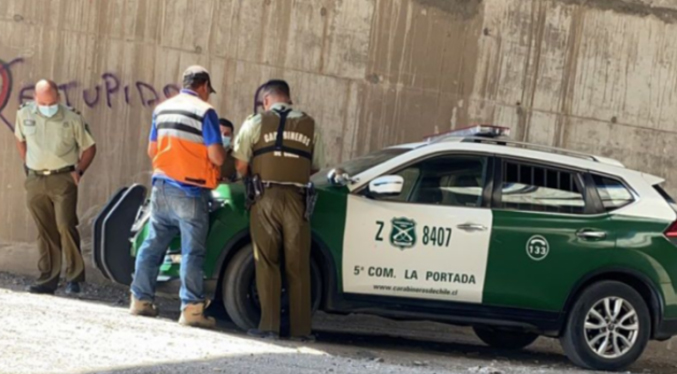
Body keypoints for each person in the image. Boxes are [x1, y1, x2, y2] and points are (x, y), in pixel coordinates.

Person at [129, 65, 225, 328]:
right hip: (191, 190)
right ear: (203, 85)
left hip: (161, 186)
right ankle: (192, 310)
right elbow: (216, 155)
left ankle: (140, 300)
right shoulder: (205, 112)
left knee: (153, 244)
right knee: (192, 251)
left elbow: (152, 150)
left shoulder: (162, 109)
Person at [233, 79, 325, 341]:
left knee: (266, 261)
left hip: (265, 197)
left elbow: (240, 164)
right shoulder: (310, 124)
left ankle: (269, 326)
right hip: (297, 198)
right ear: (289, 99)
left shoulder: (255, 122)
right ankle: (301, 331)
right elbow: (316, 165)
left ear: (266, 101)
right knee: (298, 265)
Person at [14, 80, 97, 295]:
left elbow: (89, 147)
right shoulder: (24, 114)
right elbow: (20, 140)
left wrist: (79, 171)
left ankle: (74, 278)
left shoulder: (72, 118)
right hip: (35, 179)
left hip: (63, 179)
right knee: (45, 230)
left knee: (65, 225)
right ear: (35, 98)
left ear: (58, 98)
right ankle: (47, 279)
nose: (47, 107)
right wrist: (28, 164)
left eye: (51, 103)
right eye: (43, 103)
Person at [219, 118, 237, 182]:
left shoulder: (236, 157)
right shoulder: (205, 153)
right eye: (219, 133)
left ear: (232, 137)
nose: (223, 137)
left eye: (226, 134)